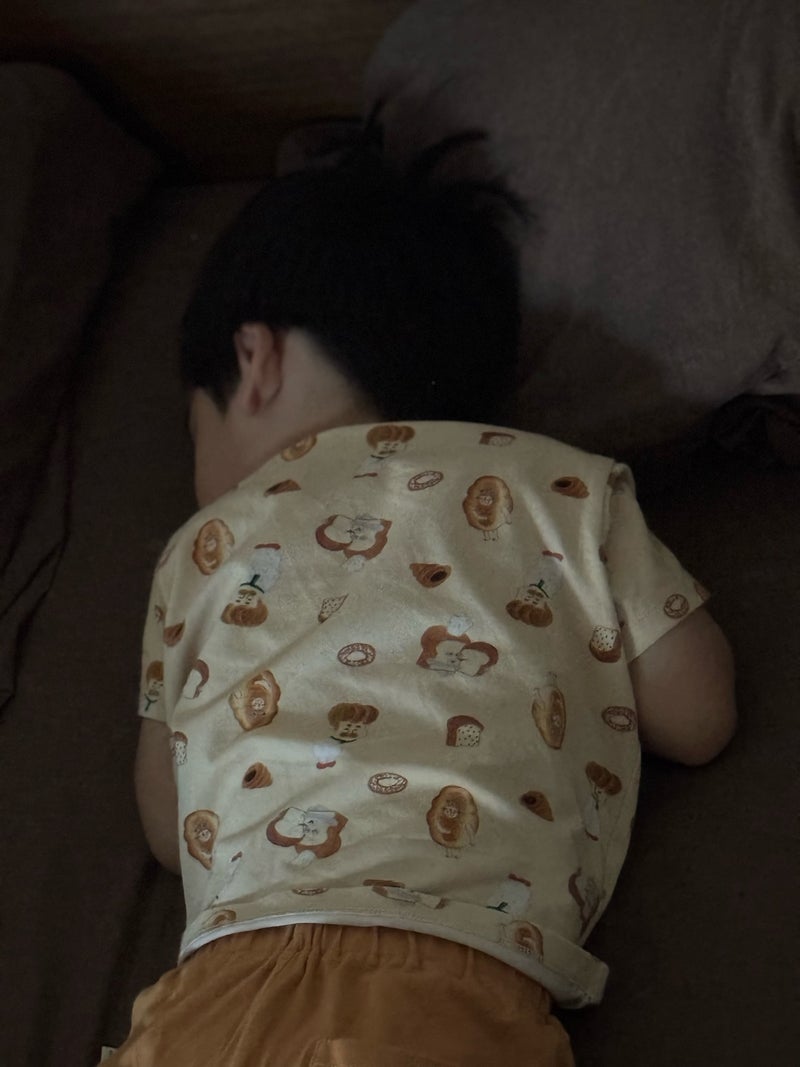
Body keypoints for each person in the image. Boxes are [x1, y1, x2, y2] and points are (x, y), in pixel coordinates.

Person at [112, 120, 736, 1067]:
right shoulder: (562, 486)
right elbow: (699, 714)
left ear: (254, 357)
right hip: (450, 987)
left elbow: (170, 825)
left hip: (218, 991)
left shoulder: (200, 546)